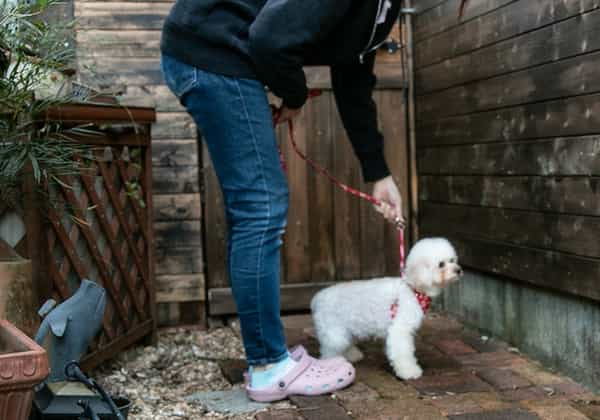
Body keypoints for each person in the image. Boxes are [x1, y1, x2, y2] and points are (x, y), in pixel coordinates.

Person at [160, 0, 404, 402]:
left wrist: (377, 172)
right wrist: (294, 95)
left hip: (219, 56)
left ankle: (267, 356)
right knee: (260, 206)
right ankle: (269, 365)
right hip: (214, 52)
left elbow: (352, 72)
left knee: (257, 206)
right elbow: (270, 38)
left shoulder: (385, 7)